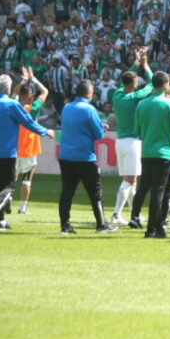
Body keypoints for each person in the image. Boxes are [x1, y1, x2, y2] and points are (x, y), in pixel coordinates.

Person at [0, 75, 54, 232]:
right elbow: (28, 122)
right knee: (9, 186)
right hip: (8, 152)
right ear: (7, 89)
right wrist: (46, 131)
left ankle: (2, 221)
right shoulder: (12, 105)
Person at [57, 81, 117, 234]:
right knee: (95, 192)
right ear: (89, 93)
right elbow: (98, 135)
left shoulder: (67, 107)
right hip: (84, 156)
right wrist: (101, 127)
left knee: (67, 191)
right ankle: (101, 224)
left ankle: (65, 225)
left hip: (65, 155)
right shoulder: (89, 109)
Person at [134, 71, 170, 239]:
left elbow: (138, 129)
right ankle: (153, 228)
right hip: (164, 152)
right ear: (166, 85)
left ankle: (155, 227)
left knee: (147, 187)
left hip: (147, 151)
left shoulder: (142, 104)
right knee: (158, 191)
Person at [111, 48, 152, 226]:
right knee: (130, 179)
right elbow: (152, 84)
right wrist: (145, 65)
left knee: (130, 179)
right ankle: (116, 214)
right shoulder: (135, 97)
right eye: (136, 79)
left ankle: (134, 213)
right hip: (132, 142)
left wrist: (136, 62)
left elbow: (127, 77)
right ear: (134, 83)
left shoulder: (117, 95)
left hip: (120, 141)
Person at [13, 67, 48, 215]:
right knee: (27, 179)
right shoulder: (33, 108)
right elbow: (45, 91)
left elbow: (14, 93)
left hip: (14, 148)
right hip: (30, 149)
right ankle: (22, 208)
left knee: (11, 179)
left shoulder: (13, 106)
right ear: (31, 95)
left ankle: (5, 204)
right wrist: (33, 79)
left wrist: (23, 81)